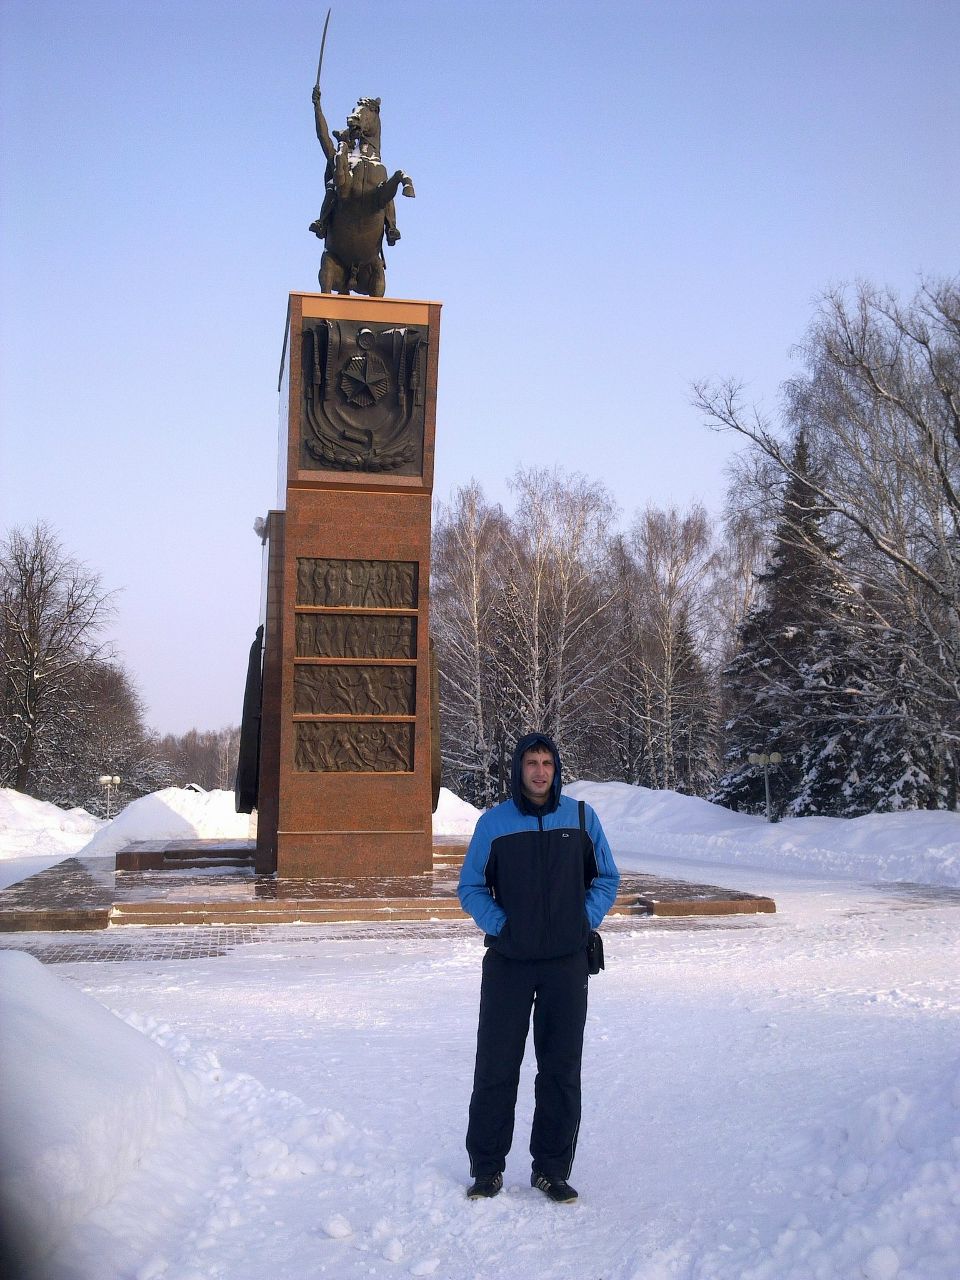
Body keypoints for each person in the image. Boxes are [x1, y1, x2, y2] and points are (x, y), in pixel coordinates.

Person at [457, 732, 620, 1203]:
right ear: (518, 768)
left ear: (557, 767)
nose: (540, 771)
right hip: (509, 963)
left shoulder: (582, 818)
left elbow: (606, 878)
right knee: (496, 1067)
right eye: (532, 762)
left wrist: (580, 921)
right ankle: (487, 1169)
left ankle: (551, 1169)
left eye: (547, 762)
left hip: (566, 965)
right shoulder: (494, 824)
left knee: (560, 1069)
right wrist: (502, 927)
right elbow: (470, 887)